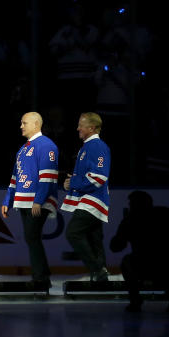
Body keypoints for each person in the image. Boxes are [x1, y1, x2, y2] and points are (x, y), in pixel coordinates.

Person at [2, 112, 60, 288]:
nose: (21, 126)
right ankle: (42, 276)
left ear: (36, 124)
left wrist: (39, 200)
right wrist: (7, 201)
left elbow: (48, 176)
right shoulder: (23, 149)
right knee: (31, 238)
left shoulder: (47, 146)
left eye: (24, 123)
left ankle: (41, 277)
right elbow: (15, 178)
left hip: (36, 201)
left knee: (32, 236)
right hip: (24, 201)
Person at [109, 190, 169, 313]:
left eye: (131, 203)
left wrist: (123, 231)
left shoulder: (131, 220)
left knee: (127, 261)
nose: (130, 206)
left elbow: (116, 247)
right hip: (167, 264)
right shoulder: (163, 215)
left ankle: (135, 300)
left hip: (151, 265)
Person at [62, 112, 111, 281]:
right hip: (89, 199)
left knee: (73, 233)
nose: (77, 128)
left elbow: (99, 177)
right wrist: (70, 183)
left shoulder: (97, 146)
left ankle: (98, 270)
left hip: (92, 201)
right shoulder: (88, 147)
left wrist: (73, 182)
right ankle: (100, 275)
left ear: (91, 128)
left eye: (81, 125)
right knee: (93, 238)